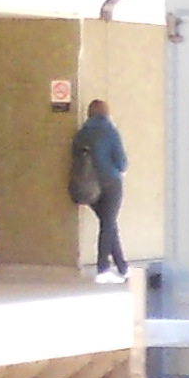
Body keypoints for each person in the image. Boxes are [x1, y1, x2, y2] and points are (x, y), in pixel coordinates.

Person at [73, 97, 131, 281]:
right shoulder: (110, 131)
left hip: (88, 187)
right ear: (106, 112)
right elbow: (122, 162)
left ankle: (122, 267)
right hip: (111, 183)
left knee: (108, 223)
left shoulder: (81, 134)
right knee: (108, 224)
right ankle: (103, 269)